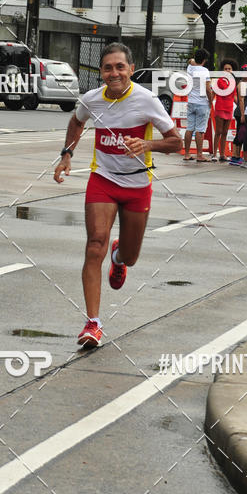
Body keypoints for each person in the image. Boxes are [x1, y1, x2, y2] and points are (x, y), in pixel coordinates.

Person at [53, 42, 182, 348]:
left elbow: (176, 141)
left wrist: (147, 146)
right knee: (93, 243)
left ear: (131, 70)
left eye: (120, 67)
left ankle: (119, 256)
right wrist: (67, 154)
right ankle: (93, 323)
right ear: (101, 72)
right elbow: (77, 121)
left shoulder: (146, 100)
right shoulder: (92, 99)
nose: (114, 73)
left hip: (137, 185)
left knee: (131, 255)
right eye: (108, 67)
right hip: (103, 180)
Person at [182, 47, 213, 162]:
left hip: (191, 101)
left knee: (189, 128)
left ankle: (186, 153)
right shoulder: (204, 71)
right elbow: (208, 89)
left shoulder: (190, 68)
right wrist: (210, 101)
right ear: (204, 60)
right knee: (200, 130)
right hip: (202, 103)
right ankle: (199, 154)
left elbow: (190, 60)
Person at [212, 58, 238, 161]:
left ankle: (222, 154)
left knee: (225, 133)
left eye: (229, 68)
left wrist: (241, 106)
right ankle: (214, 154)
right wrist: (210, 103)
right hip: (220, 108)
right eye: (226, 68)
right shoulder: (219, 80)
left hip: (229, 108)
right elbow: (214, 93)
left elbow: (235, 96)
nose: (227, 70)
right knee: (218, 132)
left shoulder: (233, 82)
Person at [228, 64, 247, 166]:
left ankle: (237, 155)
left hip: (245, 112)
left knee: (242, 134)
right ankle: (235, 156)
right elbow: (241, 100)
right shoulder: (242, 84)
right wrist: (243, 114)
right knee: (240, 134)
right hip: (241, 112)